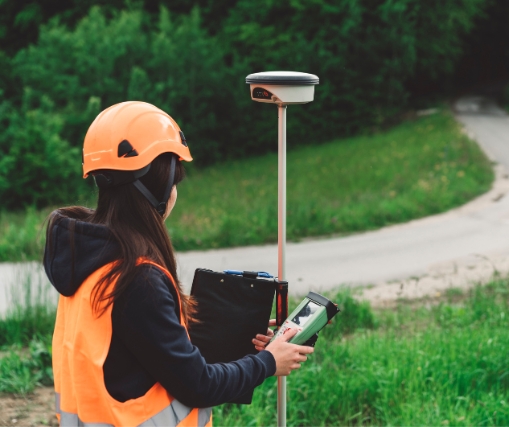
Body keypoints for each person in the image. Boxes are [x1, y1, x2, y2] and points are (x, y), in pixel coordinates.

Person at [44, 101, 313, 426]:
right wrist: (268, 362)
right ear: (159, 188)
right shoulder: (137, 277)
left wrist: (234, 335)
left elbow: (132, 353)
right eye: (175, 181)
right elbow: (199, 386)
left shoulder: (89, 257)